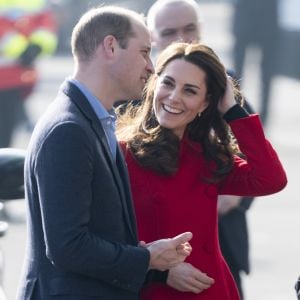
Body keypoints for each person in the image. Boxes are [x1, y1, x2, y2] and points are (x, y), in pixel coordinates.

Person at [16, 6, 194, 300]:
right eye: (144, 52)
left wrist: (149, 258)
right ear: (110, 46)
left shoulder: (94, 119)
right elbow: (68, 247)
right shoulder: (68, 129)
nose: (151, 67)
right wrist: (147, 258)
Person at [116, 42, 287, 299]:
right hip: (153, 290)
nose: (174, 97)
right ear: (154, 84)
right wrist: (159, 272)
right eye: (168, 83)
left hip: (213, 290)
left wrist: (232, 110)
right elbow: (101, 242)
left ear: (205, 103)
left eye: (190, 91)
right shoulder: (121, 153)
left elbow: (271, 179)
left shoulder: (207, 157)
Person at [146, 1, 254, 298]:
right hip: (159, 262)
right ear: (152, 39)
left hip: (221, 245)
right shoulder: (140, 93)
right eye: (170, 32)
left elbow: (258, 160)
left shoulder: (225, 85)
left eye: (190, 28)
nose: (182, 39)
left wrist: (236, 194)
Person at [0, 0, 58, 147]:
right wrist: (23, 49)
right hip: (11, 75)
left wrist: (36, 46)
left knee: (7, 132)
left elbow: (45, 25)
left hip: (16, 77)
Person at [232, 0, 280, 125]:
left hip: (266, 15)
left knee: (266, 73)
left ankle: (263, 117)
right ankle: (235, 110)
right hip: (247, 13)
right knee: (236, 74)